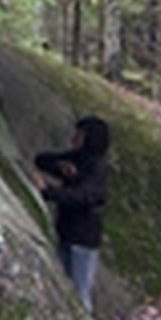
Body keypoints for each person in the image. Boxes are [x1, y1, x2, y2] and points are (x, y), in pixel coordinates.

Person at [32, 115, 110, 308]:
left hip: (83, 239)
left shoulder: (96, 168)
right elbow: (42, 159)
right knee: (63, 286)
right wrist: (60, 166)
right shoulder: (78, 158)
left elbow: (83, 196)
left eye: (80, 134)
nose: (75, 138)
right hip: (66, 232)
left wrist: (47, 191)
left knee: (80, 292)